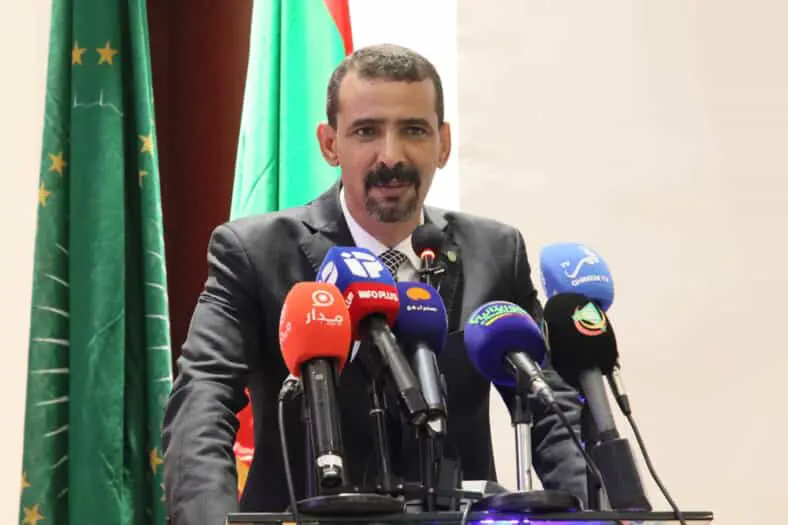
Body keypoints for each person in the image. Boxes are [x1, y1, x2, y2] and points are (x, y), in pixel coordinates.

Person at [161, 43, 587, 525]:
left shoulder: (495, 251)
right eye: (366, 131)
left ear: (443, 144)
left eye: (414, 130)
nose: (391, 155)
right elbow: (201, 403)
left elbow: (555, 412)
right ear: (329, 144)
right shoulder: (255, 253)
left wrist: (596, 514)